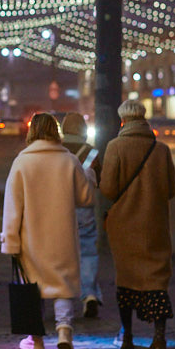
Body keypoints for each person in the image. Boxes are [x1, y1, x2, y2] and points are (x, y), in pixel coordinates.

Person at [0, 113, 95, 349]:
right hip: (62, 237)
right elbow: (86, 199)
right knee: (62, 285)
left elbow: (13, 206)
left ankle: (36, 339)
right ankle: (64, 333)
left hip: (31, 238)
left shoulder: (22, 162)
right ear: (56, 131)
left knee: (32, 288)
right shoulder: (69, 160)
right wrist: (90, 177)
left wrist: (10, 240)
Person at [99, 98, 175, 349]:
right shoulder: (161, 150)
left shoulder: (115, 147)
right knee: (156, 279)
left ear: (123, 120)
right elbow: (171, 190)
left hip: (124, 226)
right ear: (144, 119)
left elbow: (109, 190)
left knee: (127, 278)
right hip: (155, 224)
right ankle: (159, 337)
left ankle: (127, 335)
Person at [59, 113, 103, 318]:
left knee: (58, 253)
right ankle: (90, 295)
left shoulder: (56, 150)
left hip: (58, 208)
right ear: (83, 129)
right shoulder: (91, 152)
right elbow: (100, 180)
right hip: (84, 208)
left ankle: (59, 295)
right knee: (87, 252)